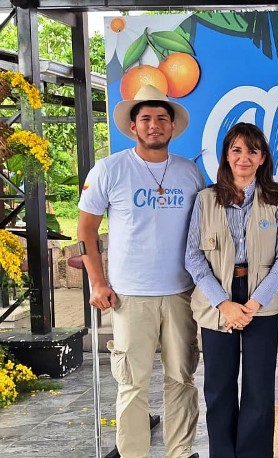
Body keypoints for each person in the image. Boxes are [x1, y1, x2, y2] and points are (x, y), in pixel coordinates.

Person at [77, 85, 205, 458]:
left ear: (172, 126)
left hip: (181, 293)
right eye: (146, 118)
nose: (154, 125)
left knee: (182, 378)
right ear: (133, 126)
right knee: (132, 383)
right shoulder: (110, 170)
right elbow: (86, 230)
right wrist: (97, 282)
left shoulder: (189, 172)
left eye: (162, 118)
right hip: (129, 296)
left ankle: (180, 452)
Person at [185, 122, 278, 457]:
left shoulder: (275, 199)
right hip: (216, 299)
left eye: (252, 150)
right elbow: (193, 257)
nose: (244, 157)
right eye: (236, 150)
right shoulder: (205, 199)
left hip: (262, 299)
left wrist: (255, 303)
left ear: (262, 158)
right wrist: (224, 304)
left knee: (259, 389)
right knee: (218, 388)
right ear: (226, 156)